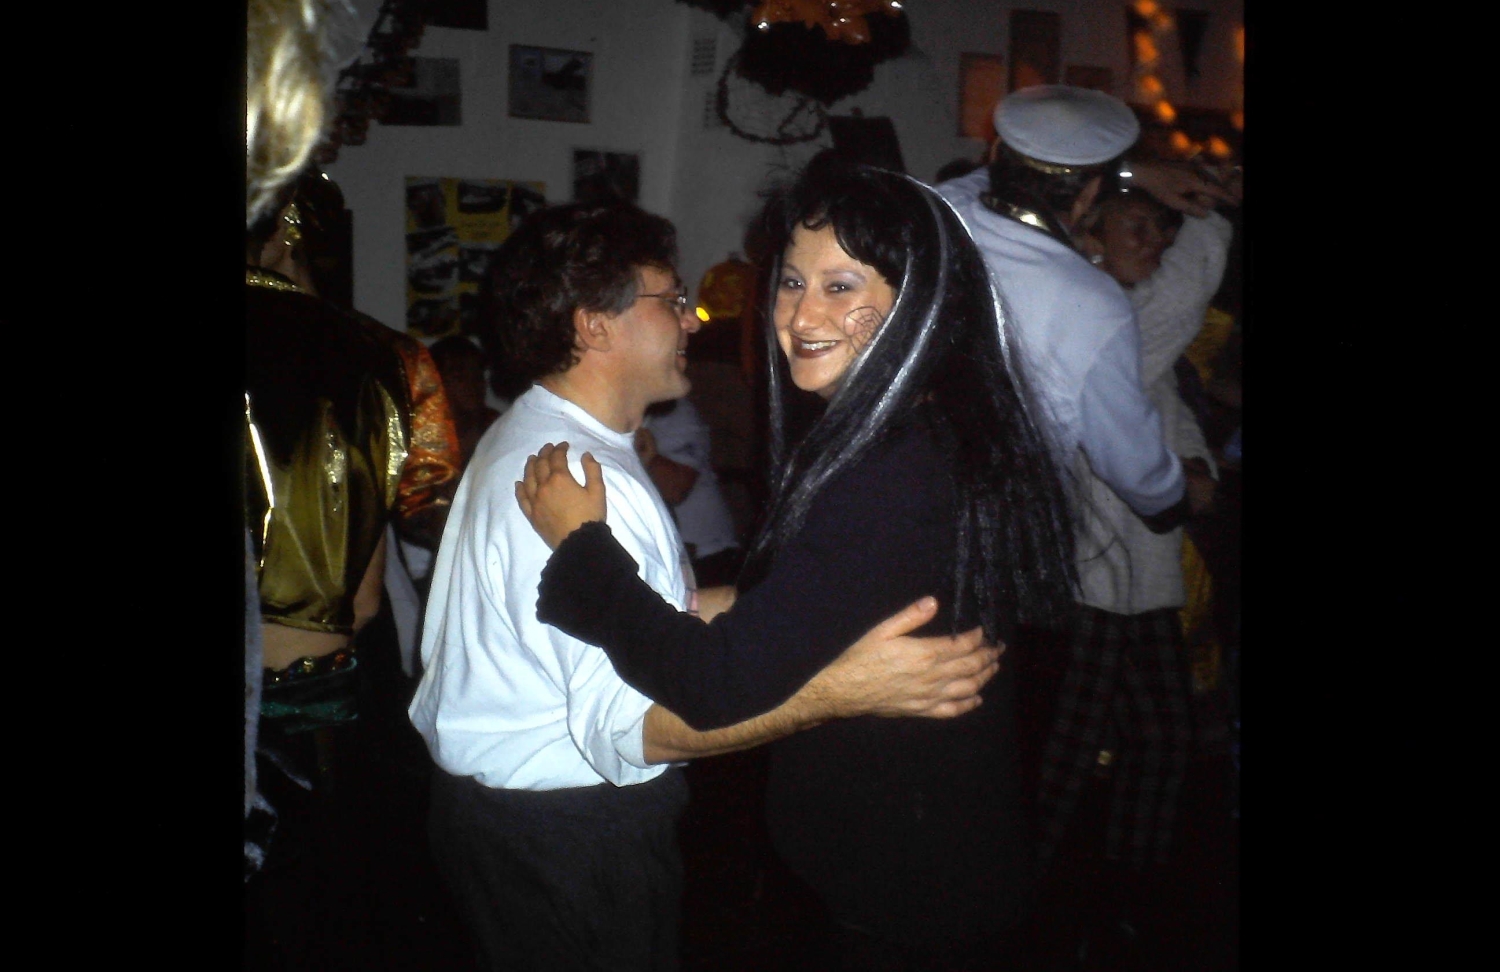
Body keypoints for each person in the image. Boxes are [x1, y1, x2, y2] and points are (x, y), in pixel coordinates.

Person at [408, 198, 1005, 972]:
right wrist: (842, 687)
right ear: (595, 324)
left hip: (522, 829)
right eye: (671, 298)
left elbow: (665, 614)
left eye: (838, 285)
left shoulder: (546, 439)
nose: (692, 320)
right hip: (561, 838)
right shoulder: (577, 479)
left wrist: (788, 616)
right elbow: (636, 728)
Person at [515, 153, 1078, 970]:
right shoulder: (924, 432)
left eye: (841, 286)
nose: (802, 314)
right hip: (911, 880)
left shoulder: (895, 467)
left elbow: (715, 688)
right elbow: (809, 607)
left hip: (904, 903)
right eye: (789, 281)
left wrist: (581, 552)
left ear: (922, 302)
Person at [639, 397, 744, 586]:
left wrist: (642, 452)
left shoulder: (672, 410)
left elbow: (675, 489)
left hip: (706, 557)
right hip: (652, 561)